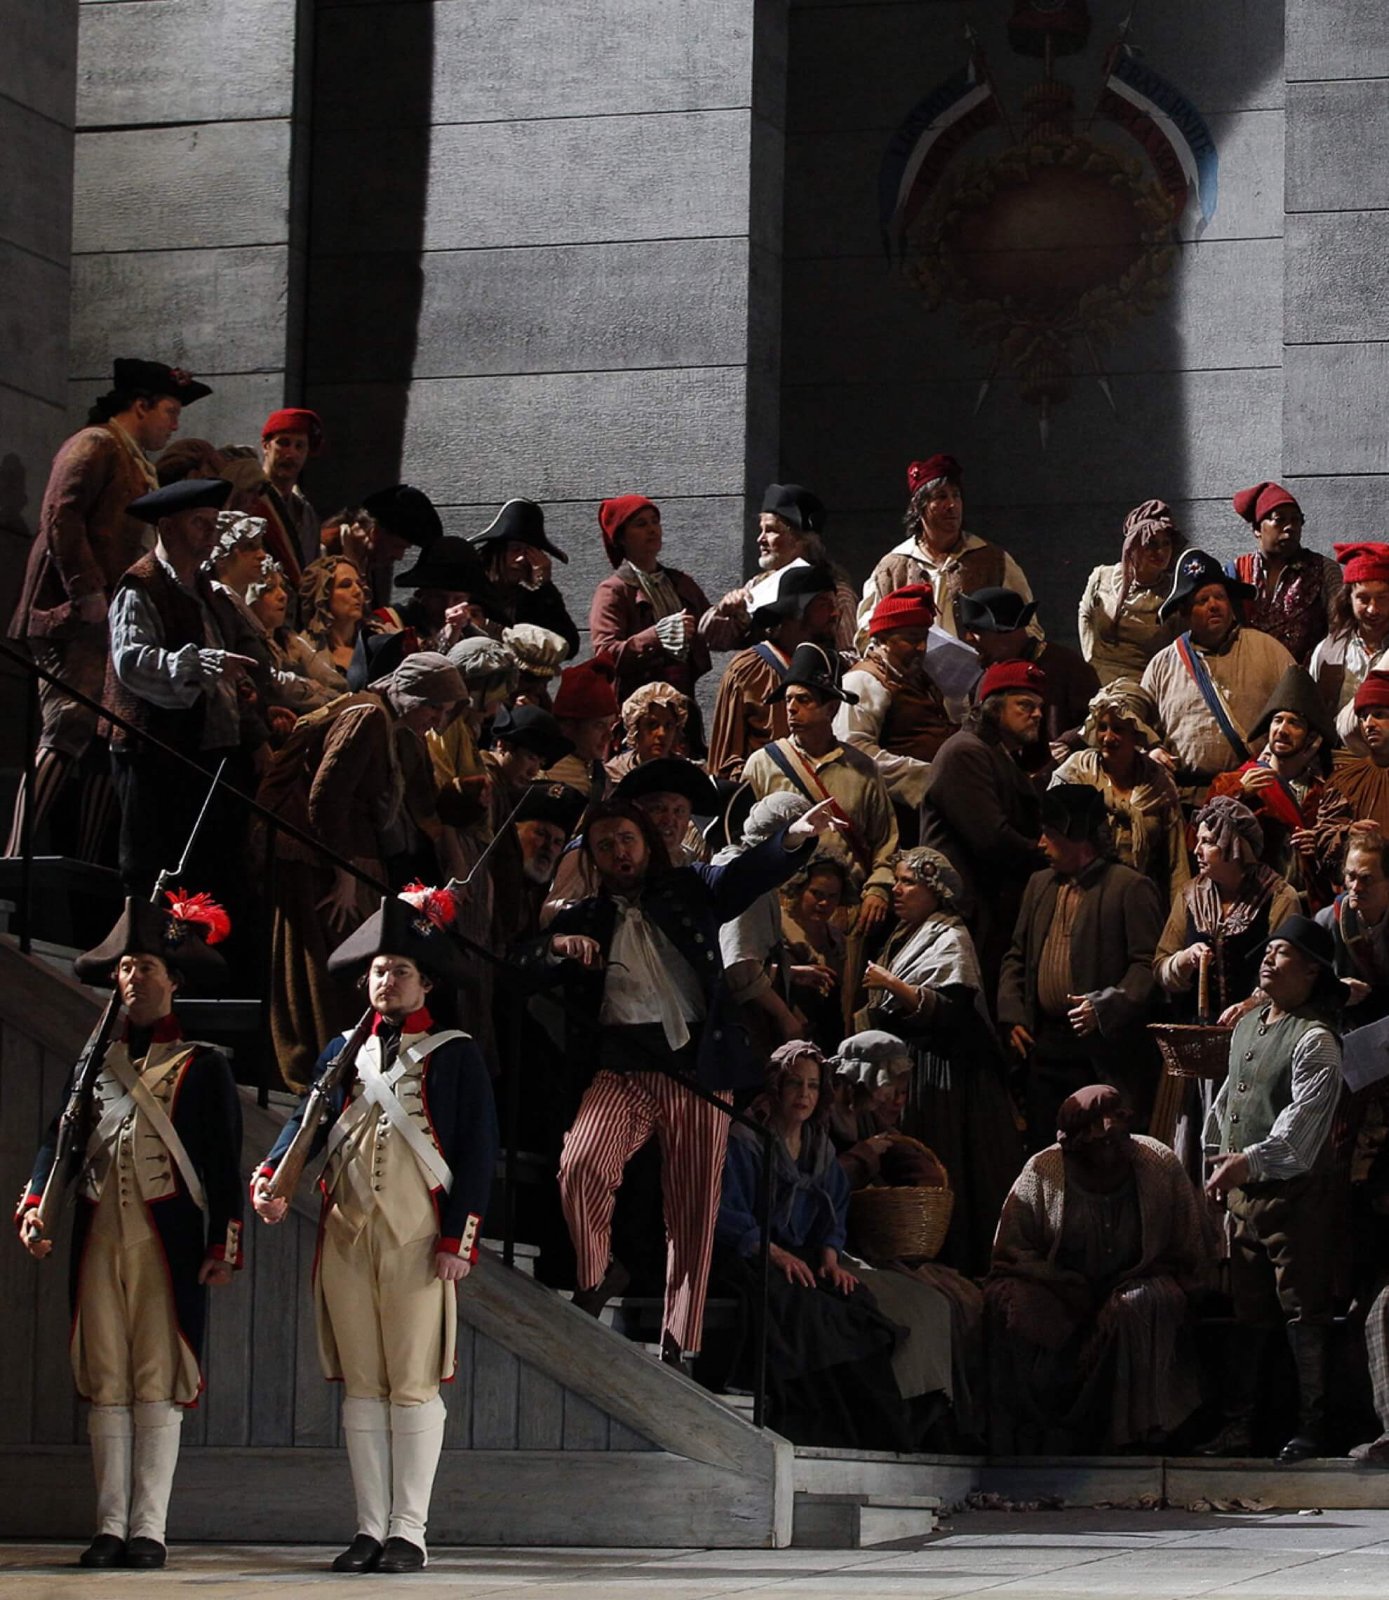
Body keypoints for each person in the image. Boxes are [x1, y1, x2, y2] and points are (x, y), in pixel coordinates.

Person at [514, 792, 841, 1365]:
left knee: (692, 1211)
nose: (619, 852)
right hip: (623, 1068)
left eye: (627, 840)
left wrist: (792, 839)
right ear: (592, 857)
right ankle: (597, 1272)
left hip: (697, 1068)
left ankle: (679, 1340)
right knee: (581, 1164)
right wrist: (556, 946)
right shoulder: (586, 915)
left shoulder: (690, 887)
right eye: (605, 845)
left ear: (646, 844)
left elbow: (742, 876)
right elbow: (519, 966)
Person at [253, 887, 499, 1574]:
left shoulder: (455, 1053)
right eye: (378, 970)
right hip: (347, 1231)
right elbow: (306, 1122)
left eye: (399, 971)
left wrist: (458, 1240)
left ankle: (407, 1531)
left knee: (413, 1384)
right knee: (362, 1384)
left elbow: (478, 1151)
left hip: (418, 1236)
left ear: (426, 982)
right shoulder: (344, 1051)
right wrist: (272, 1175)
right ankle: (368, 1529)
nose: (386, 981)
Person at [16, 892, 243, 1570]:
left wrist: (222, 1245)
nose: (133, 977)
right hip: (98, 1232)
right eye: (125, 968)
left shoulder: (204, 1065)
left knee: (157, 1378)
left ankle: (149, 1529)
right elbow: (58, 1141)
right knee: (106, 1377)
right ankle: (109, 1526)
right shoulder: (93, 1064)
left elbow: (221, 1165)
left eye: (146, 966)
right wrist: (37, 1205)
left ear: (173, 979)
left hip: (166, 1240)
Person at [7, 358, 211, 861]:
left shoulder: (135, 460)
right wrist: (85, 589)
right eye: (169, 411)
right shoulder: (96, 443)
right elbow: (62, 513)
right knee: (71, 724)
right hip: (73, 617)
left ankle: (81, 868)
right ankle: (11, 860)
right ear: (140, 405)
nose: (174, 424)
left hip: (105, 623)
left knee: (104, 736)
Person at [257, 651, 466, 1088]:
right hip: (319, 859)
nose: (436, 721)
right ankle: (319, 1068)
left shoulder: (386, 723)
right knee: (322, 965)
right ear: (412, 695)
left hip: (342, 854)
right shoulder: (367, 717)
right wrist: (345, 873)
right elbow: (326, 797)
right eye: (434, 708)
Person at [711, 1041, 913, 1450]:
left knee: (854, 1304)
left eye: (813, 1086)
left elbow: (833, 1211)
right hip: (751, 1255)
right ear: (776, 1087)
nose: (803, 1094)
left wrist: (830, 1258)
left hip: (800, 1255)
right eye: (794, 1084)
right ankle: (815, 1428)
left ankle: (874, 1435)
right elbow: (727, 1214)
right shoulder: (747, 1138)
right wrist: (775, 1253)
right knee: (804, 1312)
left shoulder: (818, 1145)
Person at [986, 1085, 1206, 1454]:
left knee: (1141, 1305)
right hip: (1060, 1288)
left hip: (1136, 1279)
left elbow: (1188, 1242)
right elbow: (1011, 1250)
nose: (1110, 1152)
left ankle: (1136, 1434)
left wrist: (1185, 1284)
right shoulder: (1043, 1171)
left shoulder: (1157, 1164)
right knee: (1012, 1305)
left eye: (1117, 1141)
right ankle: (1039, 1429)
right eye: (1098, 1144)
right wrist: (1062, 1282)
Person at [1200, 915, 1347, 1461]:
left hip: (1296, 1201)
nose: (1267, 957)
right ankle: (1242, 1425)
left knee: (1303, 1314)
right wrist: (1216, 1157)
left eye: (1282, 952)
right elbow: (1228, 1102)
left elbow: (1300, 1134)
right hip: (1245, 1201)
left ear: (1311, 971)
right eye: (1268, 949)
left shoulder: (1316, 1040)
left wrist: (1246, 1163)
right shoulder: (1247, 1025)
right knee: (1249, 1313)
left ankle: (1313, 1425)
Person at [861, 847, 1024, 1272]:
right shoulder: (905, 933)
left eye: (908, 883)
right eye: (896, 881)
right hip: (909, 1064)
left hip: (943, 1070)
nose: (897, 890)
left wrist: (892, 985)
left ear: (934, 891)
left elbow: (952, 1011)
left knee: (944, 1156)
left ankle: (952, 1258)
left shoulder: (949, 936)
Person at [104, 478, 266, 901]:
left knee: (209, 876)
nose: (211, 533)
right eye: (199, 523)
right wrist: (203, 665)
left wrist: (240, 690)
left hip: (207, 754)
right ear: (167, 527)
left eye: (214, 523)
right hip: (155, 752)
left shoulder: (208, 592)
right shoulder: (142, 585)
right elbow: (133, 662)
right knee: (152, 869)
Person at [999, 785, 1165, 1144]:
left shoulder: (1129, 887)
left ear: (1079, 838)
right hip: (1044, 1047)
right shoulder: (1039, 884)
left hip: (1098, 1054)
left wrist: (1105, 1006)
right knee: (1046, 1147)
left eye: (1051, 834)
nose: (1041, 843)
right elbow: (1016, 955)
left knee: (1098, 1151)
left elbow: (1147, 966)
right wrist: (1013, 1015)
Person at [743, 642, 899, 1004]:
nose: (792, 708)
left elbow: (886, 841)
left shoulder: (862, 769)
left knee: (844, 1008)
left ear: (831, 707)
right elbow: (743, 842)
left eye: (804, 700)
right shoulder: (762, 766)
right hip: (782, 914)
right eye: (789, 700)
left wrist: (878, 888)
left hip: (846, 912)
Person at [919, 660, 1046, 1001]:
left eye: (1039, 707)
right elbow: (992, 838)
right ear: (994, 706)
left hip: (990, 910)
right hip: (970, 913)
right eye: (1025, 705)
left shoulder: (994, 752)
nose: (1036, 714)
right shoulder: (965, 751)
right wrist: (1045, 853)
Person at [1142, 549, 1296, 800]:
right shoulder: (1162, 666)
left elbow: (1299, 712)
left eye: (1220, 597)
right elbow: (1140, 728)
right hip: (1187, 799)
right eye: (1202, 600)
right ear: (1184, 611)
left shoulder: (1268, 650)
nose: (1213, 605)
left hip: (1257, 795)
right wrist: (1151, 752)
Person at [1206, 665, 1344, 911]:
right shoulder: (1234, 781)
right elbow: (1200, 833)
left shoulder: (1323, 793)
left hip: (1307, 904)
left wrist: (1321, 844)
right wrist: (1239, 792)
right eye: (1277, 720)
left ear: (1311, 738)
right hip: (1250, 903)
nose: (1282, 730)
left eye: (1294, 723)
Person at [858, 454, 1035, 642]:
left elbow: (1028, 626)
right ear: (920, 506)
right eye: (941, 496)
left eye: (956, 495)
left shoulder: (992, 560)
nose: (952, 505)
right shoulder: (893, 567)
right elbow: (867, 633)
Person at [1050, 680, 1189, 905]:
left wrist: (1178, 914)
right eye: (1102, 727)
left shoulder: (1157, 783)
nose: (1107, 737)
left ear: (1136, 733)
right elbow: (1052, 839)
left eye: (1118, 729)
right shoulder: (1076, 772)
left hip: (1139, 899)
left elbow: (1176, 862)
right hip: (1083, 896)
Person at [705, 563, 840, 781]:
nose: (835, 613)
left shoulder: (834, 667)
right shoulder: (748, 671)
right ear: (796, 611)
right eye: (824, 605)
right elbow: (725, 763)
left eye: (835, 604)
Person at [837, 584, 956, 827]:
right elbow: (854, 750)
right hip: (897, 815)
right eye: (911, 639)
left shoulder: (917, 676)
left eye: (924, 638)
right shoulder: (863, 681)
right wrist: (928, 776)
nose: (921, 647)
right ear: (883, 639)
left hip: (933, 808)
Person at [589, 494, 712, 715]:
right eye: (641, 524)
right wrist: (657, 637)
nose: (652, 529)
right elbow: (605, 654)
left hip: (681, 706)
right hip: (638, 712)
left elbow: (711, 628)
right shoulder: (614, 590)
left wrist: (733, 613)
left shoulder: (680, 583)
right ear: (621, 538)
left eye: (655, 522)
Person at [699, 483, 857, 654]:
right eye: (761, 530)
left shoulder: (836, 593)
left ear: (801, 539)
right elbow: (710, 640)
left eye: (771, 530)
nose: (761, 539)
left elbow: (850, 655)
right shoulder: (757, 586)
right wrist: (725, 610)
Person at [959, 587, 1099, 766]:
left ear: (1006, 632)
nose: (968, 638)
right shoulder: (987, 679)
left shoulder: (1067, 667)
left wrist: (1068, 744)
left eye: (977, 630)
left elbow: (1098, 719)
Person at [1226, 481, 1340, 666]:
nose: (1290, 527)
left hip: (1305, 678)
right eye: (1279, 520)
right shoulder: (1236, 571)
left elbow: (1340, 631)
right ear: (1257, 529)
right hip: (1248, 675)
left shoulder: (1324, 570)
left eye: (1296, 520)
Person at [1076, 499, 1182, 685]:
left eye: (1166, 544)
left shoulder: (1174, 593)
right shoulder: (1102, 577)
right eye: (1151, 544)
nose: (1160, 551)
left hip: (1141, 682)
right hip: (1095, 675)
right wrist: (1090, 661)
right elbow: (1085, 614)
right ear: (1133, 546)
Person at [469, 498, 580, 660]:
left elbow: (568, 646)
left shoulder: (530, 602)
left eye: (528, 552)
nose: (521, 559)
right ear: (495, 552)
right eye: (515, 549)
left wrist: (545, 587)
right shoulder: (468, 594)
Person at [1316, 822, 1389, 1029]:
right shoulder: (1328, 921)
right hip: (1347, 1024)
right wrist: (1335, 989)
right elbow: (1303, 980)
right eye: (1351, 876)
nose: (1356, 887)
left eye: (1366, 879)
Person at [779, 853, 855, 1051]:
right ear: (800, 889)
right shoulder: (778, 928)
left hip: (825, 1037)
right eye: (817, 894)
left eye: (832, 896)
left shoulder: (836, 939)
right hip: (784, 1032)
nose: (824, 903)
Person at [1310, 542, 1389, 716]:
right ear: (1348, 599)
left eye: (1382, 598)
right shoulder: (1327, 653)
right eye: (1363, 599)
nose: (1372, 609)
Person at [1316, 670, 1389, 843]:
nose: (1368, 724)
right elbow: (1323, 834)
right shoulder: (1345, 781)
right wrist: (1347, 832)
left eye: (1379, 715)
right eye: (1363, 718)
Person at [541, 655, 620, 799]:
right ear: (567, 726)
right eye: (599, 725)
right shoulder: (546, 776)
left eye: (610, 725)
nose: (609, 736)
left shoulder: (597, 772)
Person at [258, 406, 326, 572]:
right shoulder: (250, 500)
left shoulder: (307, 515)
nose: (291, 454)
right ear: (266, 446)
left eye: (299, 446)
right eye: (283, 443)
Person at [294, 555, 373, 697]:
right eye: (346, 585)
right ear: (322, 594)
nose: (358, 592)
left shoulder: (375, 640)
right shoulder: (302, 650)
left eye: (359, 584)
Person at [606, 680, 691, 783]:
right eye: (652, 725)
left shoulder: (687, 775)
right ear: (636, 729)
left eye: (669, 726)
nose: (662, 733)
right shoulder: (613, 775)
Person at [503, 622, 570, 709]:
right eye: (530, 678)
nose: (538, 688)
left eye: (545, 680)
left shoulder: (541, 699)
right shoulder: (491, 698)